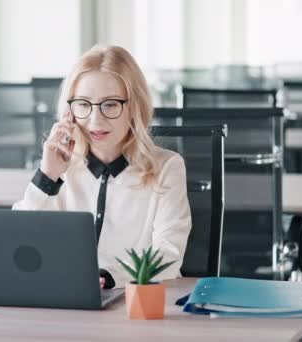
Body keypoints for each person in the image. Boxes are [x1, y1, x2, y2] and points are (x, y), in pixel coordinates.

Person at [13, 45, 191, 289]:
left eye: (110, 104)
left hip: (133, 305)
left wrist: (109, 278)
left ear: (134, 107)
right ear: (69, 110)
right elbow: (18, 244)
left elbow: (168, 255)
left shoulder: (167, 168)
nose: (95, 120)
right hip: (63, 303)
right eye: (84, 104)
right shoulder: (60, 168)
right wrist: (47, 177)